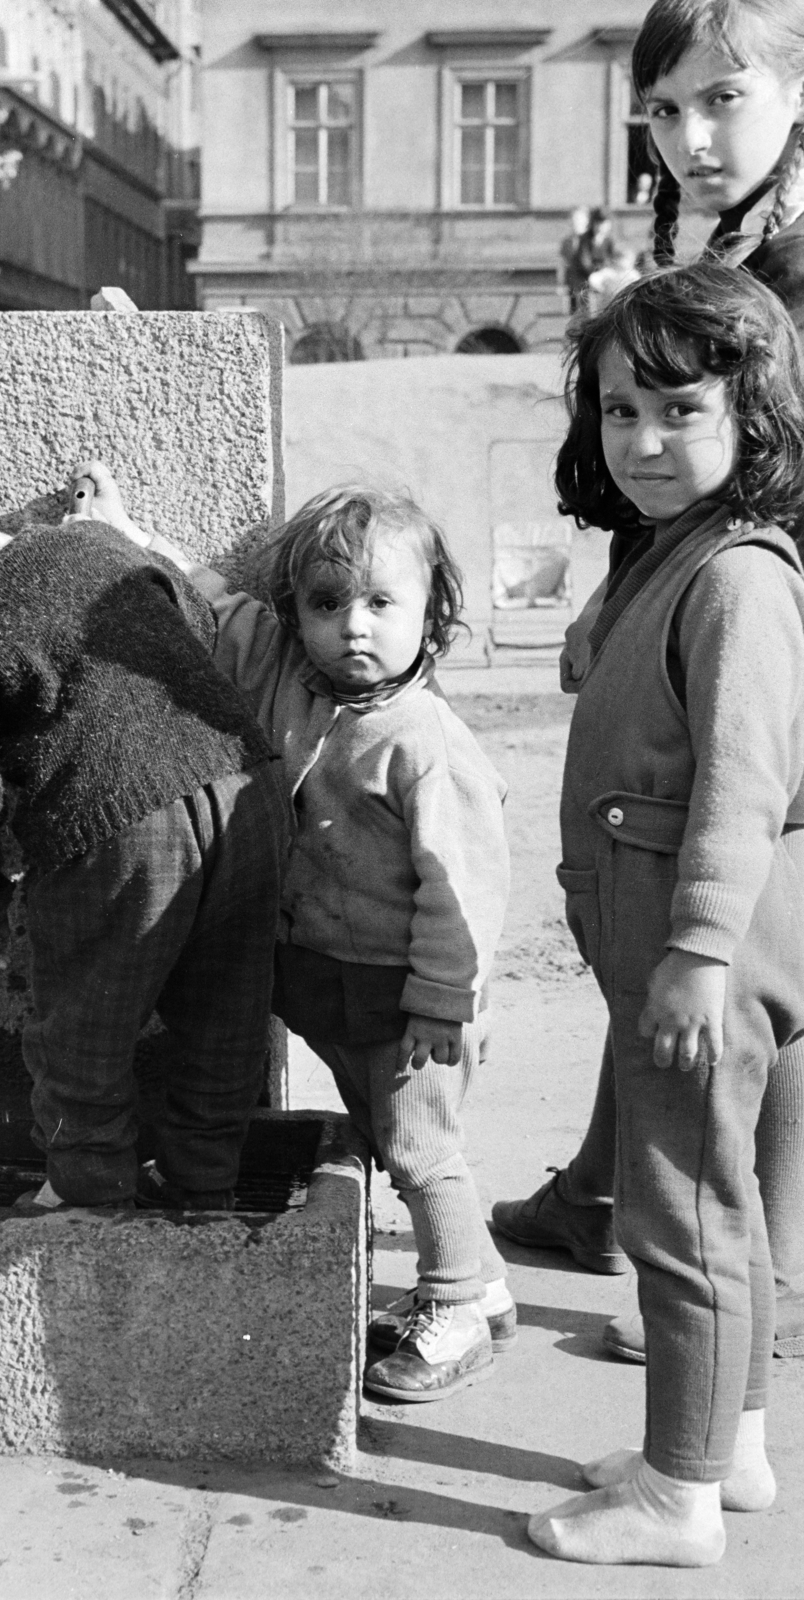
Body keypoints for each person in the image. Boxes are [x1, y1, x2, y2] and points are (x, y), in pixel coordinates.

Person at [494, 0, 804, 1362]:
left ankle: (753, 1276)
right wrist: (619, 593)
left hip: (766, 630)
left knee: (746, 947)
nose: (686, 136)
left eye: (721, 101)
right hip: (712, 601)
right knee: (692, 937)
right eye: (662, 109)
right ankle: (615, 1194)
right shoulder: (715, 244)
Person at [92, 473, 514, 1404]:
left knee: (419, 1148)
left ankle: (454, 1312)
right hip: (333, 981)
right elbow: (208, 604)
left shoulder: (425, 742)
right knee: (381, 1132)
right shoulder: (288, 673)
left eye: (379, 603)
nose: (352, 627)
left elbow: (466, 889)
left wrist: (445, 1002)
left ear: (431, 612)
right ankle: (481, 1287)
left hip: (414, 998)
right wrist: (126, 534)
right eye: (328, 605)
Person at [526, 263, 804, 1567]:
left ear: (749, 416)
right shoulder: (675, 550)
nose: (637, 440)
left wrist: (692, 952)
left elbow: (744, 785)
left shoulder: (737, 580)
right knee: (723, 1205)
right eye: (615, 408)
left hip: (702, 953)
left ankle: (672, 1498)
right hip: (682, 941)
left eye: (674, 411)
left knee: (678, 1215)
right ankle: (724, 1449)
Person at [0, 479, 289, 1213]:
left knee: (83, 1030)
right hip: (251, 789)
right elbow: (195, 620)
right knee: (226, 1015)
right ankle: (203, 1181)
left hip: (116, 825)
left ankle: (87, 1187)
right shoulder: (87, 544)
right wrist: (116, 532)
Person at [586, 242, 641, 315]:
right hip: (609, 304)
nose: (628, 263)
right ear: (617, 260)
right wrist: (601, 288)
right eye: (625, 259)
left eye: (630, 260)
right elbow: (593, 279)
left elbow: (638, 283)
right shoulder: (609, 272)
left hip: (626, 304)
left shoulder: (632, 274)